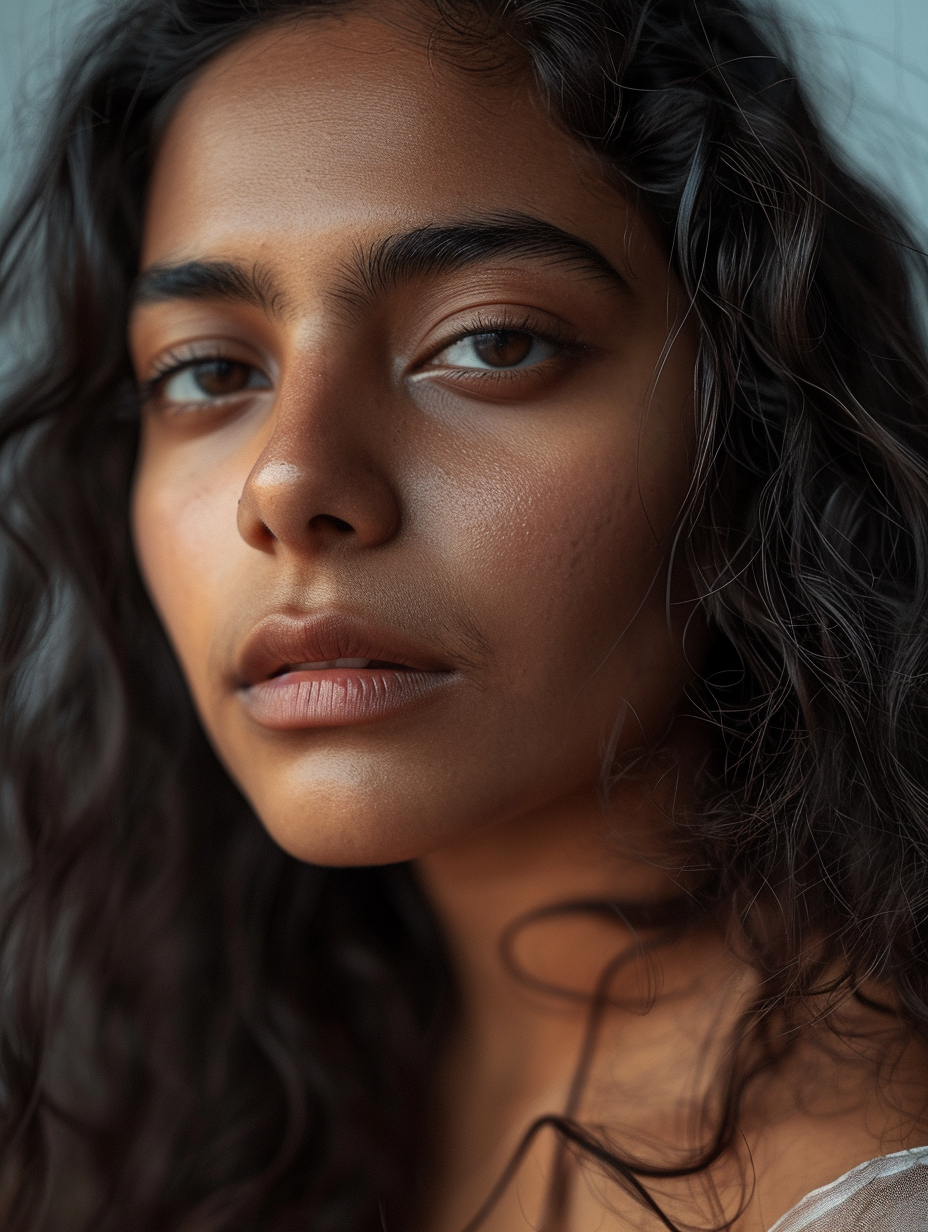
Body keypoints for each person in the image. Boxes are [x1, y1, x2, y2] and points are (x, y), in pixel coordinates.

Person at [1, 0, 927, 1228]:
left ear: (754, 424)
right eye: (210, 372)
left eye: (490, 342)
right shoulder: (162, 1083)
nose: (289, 485)